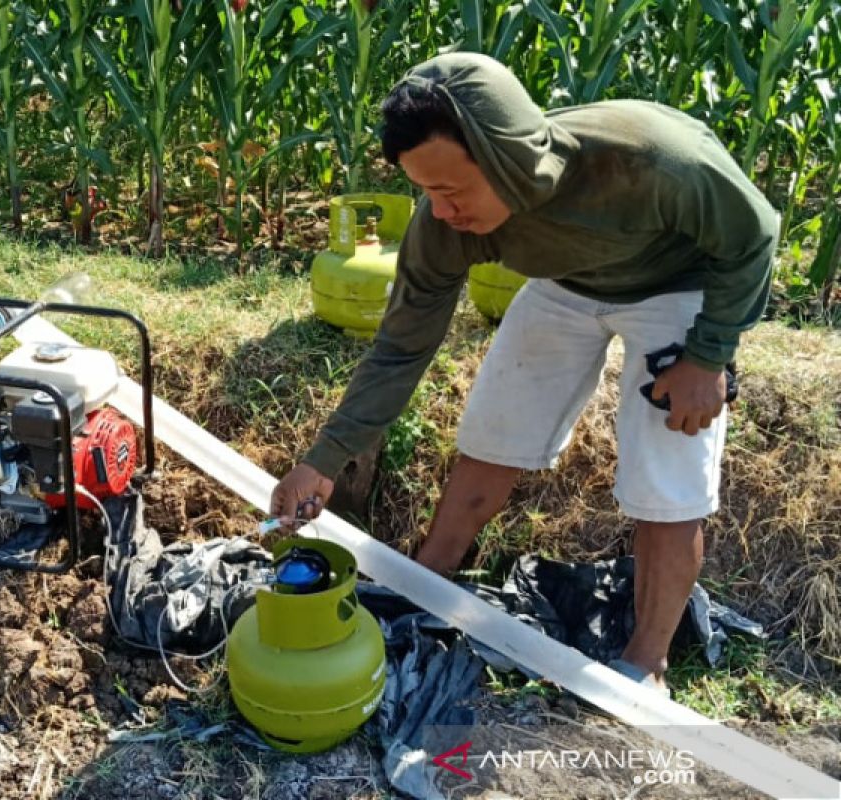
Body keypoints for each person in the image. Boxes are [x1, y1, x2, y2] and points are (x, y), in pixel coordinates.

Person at [269, 53, 778, 692]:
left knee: (665, 474)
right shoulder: (445, 224)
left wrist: (708, 355)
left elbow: (753, 235)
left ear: (508, 157)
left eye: (453, 190)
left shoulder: (650, 161)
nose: (441, 211)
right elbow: (400, 349)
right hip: (565, 284)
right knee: (493, 427)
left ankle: (646, 661)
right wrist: (322, 458)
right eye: (426, 191)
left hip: (679, 285)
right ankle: (426, 585)